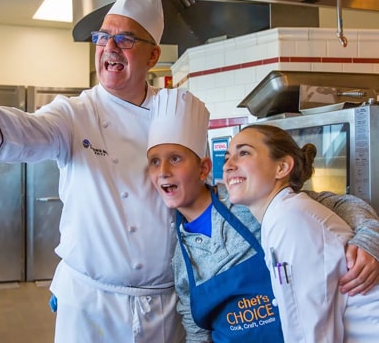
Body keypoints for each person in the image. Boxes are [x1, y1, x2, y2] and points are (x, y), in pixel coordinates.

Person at [0, 0, 379, 342]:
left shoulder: (181, 124)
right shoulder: (74, 113)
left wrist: (369, 239)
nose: (109, 47)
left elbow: (314, 203)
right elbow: (19, 134)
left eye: (125, 39)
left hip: (167, 303)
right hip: (91, 304)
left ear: (152, 55)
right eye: (103, 37)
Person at [146, 89, 379, 342]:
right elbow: (197, 332)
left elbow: (336, 205)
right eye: (154, 162)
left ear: (203, 169)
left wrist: (368, 238)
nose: (163, 172)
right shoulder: (182, 258)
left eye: (175, 159)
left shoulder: (256, 201)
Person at [223, 124, 379, 342]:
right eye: (227, 157)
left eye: (244, 153)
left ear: (282, 167)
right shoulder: (281, 213)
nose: (228, 165)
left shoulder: (290, 218)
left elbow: (310, 333)